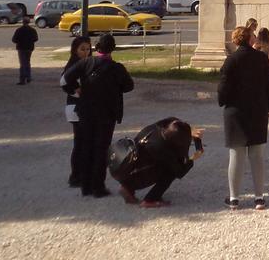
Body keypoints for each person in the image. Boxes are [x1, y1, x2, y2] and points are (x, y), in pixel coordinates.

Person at [62, 33, 134, 198]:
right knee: (101, 149)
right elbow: (129, 86)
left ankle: (85, 185)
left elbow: (64, 80)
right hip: (107, 113)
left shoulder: (86, 63)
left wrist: (77, 90)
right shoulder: (117, 68)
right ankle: (98, 186)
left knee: (86, 146)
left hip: (86, 110)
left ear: (96, 48)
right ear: (113, 49)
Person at [218, 26, 269, 210]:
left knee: (236, 155)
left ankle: (234, 198)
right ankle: (259, 198)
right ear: (249, 39)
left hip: (235, 111)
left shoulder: (231, 60)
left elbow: (223, 87)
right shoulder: (261, 58)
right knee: (257, 155)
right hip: (257, 110)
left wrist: (223, 101)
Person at [115, 117, 204, 208]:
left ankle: (127, 187)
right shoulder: (163, 149)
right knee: (171, 173)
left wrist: (190, 130)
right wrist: (192, 159)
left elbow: (173, 120)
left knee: (148, 162)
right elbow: (180, 171)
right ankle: (149, 200)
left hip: (124, 166)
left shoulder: (157, 127)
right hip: (132, 174)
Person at [61, 36, 92, 187]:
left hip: (84, 107)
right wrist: (76, 90)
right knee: (80, 143)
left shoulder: (87, 63)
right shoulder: (74, 64)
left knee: (84, 142)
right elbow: (64, 82)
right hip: (75, 108)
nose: (86, 52)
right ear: (75, 50)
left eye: (88, 49)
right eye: (82, 49)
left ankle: (82, 173)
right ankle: (75, 176)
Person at [12, 16, 39, 85]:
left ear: (23, 22)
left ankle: (22, 79)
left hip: (21, 48)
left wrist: (19, 41)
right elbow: (36, 39)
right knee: (27, 62)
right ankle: (28, 77)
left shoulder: (19, 30)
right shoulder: (32, 30)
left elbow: (14, 40)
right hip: (29, 48)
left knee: (22, 63)